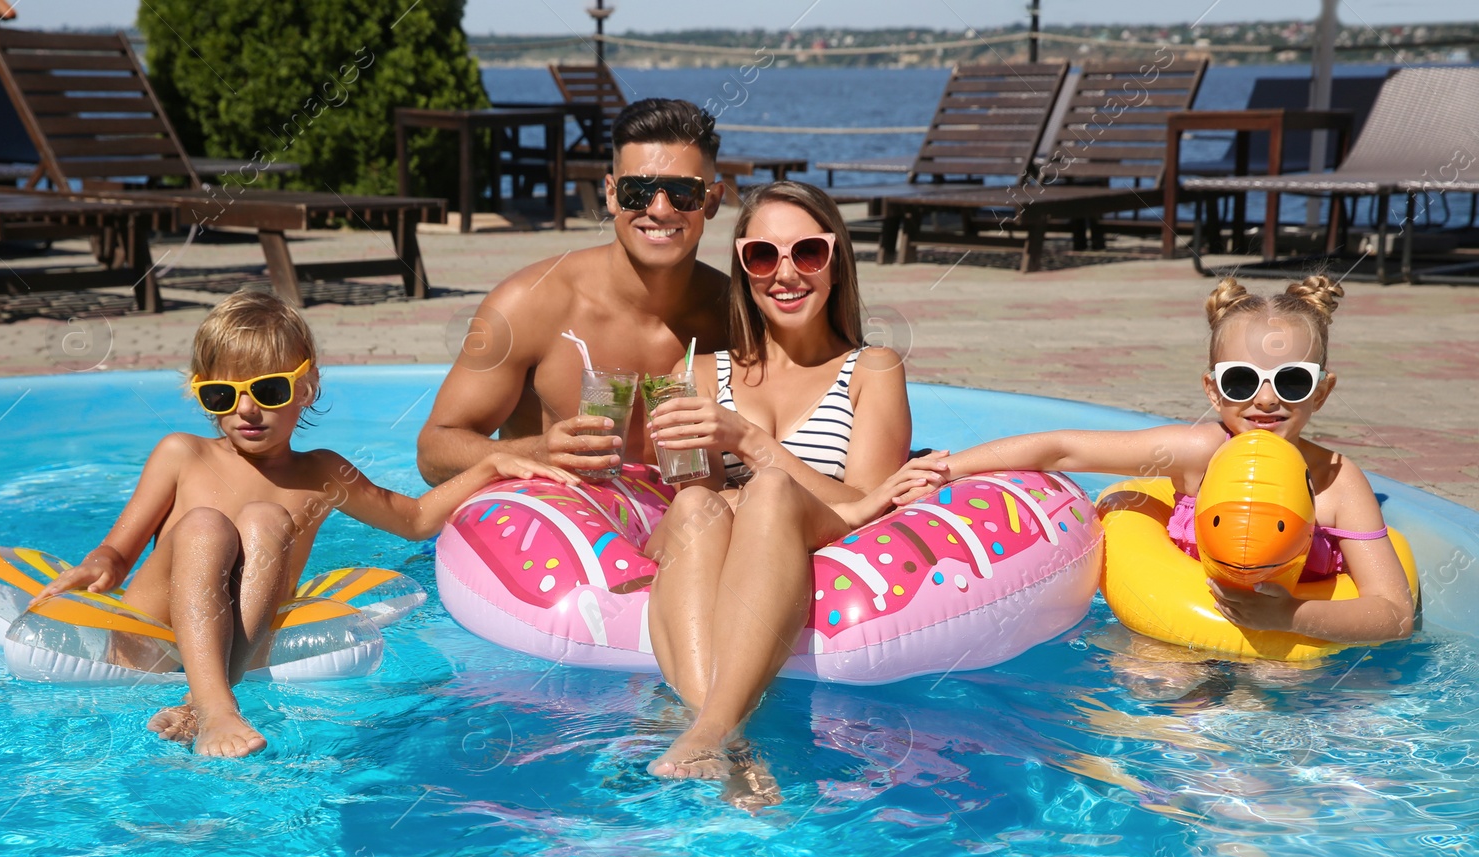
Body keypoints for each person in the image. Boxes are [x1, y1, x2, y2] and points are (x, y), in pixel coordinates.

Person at [33, 291, 574, 758]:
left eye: (268, 390)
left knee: (266, 518)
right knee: (205, 525)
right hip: (154, 632)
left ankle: (208, 699)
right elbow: (118, 551)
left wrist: (487, 465)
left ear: (307, 387)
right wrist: (94, 568)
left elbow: (413, 520)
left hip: (240, 635)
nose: (246, 410)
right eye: (222, 395)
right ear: (201, 397)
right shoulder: (182, 454)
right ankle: (215, 704)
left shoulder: (321, 473)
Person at [898, 275, 1415, 645]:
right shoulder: (1195, 453)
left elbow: (1392, 615)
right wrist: (946, 468)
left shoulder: (1336, 483)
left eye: (1291, 381)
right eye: (1241, 380)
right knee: (1151, 683)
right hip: (1176, 634)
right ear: (1213, 391)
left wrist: (1292, 618)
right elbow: (1062, 449)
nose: (1264, 400)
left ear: (1321, 393)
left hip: (1293, 650)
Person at [640, 180, 940, 781]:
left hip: (812, 525)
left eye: (807, 253)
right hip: (717, 535)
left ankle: (707, 730)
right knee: (700, 502)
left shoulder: (871, 369)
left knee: (772, 488)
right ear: (743, 267)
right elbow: (686, 501)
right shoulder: (696, 372)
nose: (786, 274)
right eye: (762, 256)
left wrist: (750, 442)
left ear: (836, 262)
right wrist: (696, 462)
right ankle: (728, 743)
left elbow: (865, 503)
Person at [415, 98, 732, 485]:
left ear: (712, 201)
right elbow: (434, 451)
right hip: (558, 532)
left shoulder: (735, 315)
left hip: (688, 530)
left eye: (684, 192)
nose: (661, 210)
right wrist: (537, 451)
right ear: (612, 195)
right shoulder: (531, 303)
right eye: (638, 191)